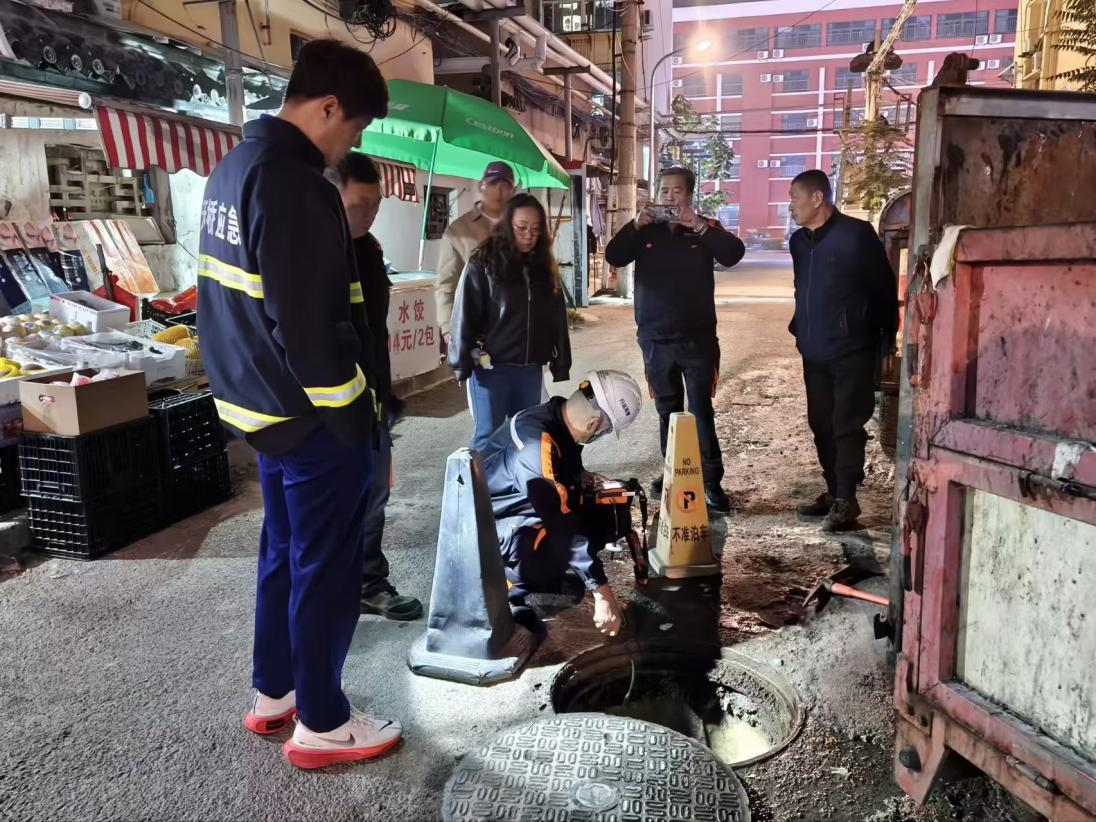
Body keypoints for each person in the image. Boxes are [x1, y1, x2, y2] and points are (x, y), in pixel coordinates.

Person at [197, 39, 401, 770]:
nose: (352, 145)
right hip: (312, 418)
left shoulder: (230, 171)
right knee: (327, 567)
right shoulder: (296, 185)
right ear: (328, 107)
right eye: (356, 127)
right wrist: (356, 419)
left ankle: (274, 692)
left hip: (259, 409)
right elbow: (311, 330)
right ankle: (322, 721)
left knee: (283, 553)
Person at [604, 166, 745, 513]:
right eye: (664, 190)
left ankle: (710, 481)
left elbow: (733, 254)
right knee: (668, 412)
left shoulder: (704, 228)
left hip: (698, 340)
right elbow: (614, 255)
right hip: (655, 339)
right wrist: (635, 224)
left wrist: (698, 225)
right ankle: (673, 474)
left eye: (676, 191)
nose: (669, 196)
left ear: (689, 195)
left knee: (700, 411)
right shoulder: (645, 230)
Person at [480, 369, 644, 637]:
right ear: (593, 424)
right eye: (604, 430)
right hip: (494, 530)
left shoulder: (555, 418)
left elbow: (561, 468)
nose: (600, 435)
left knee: (605, 514)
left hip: (526, 507)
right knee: (549, 545)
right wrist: (602, 593)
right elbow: (561, 523)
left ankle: (554, 573)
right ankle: (513, 590)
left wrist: (581, 476)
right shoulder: (536, 447)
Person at [334, 153, 423, 622]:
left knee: (374, 496)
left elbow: (373, 332)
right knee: (334, 503)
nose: (369, 214)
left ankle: (369, 583)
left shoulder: (368, 250)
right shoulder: (314, 253)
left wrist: (384, 396)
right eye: (360, 205)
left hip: (372, 401)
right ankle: (331, 592)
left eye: (375, 204)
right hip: (331, 406)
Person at [786, 170, 898, 532]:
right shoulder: (798, 242)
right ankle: (834, 491)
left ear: (818, 198)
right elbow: (802, 288)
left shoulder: (856, 235)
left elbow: (883, 289)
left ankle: (847, 499)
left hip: (852, 349)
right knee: (820, 422)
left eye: (794, 198)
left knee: (845, 424)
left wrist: (885, 339)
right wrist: (800, 327)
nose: (791, 206)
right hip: (814, 349)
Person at [448, 192, 572, 452]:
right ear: (507, 225)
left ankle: (518, 480)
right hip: (490, 368)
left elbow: (557, 317)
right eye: (521, 227)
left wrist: (561, 363)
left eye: (536, 229)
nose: (529, 235)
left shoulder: (544, 267)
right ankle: (480, 481)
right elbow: (464, 314)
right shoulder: (482, 263)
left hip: (530, 369)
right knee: (488, 436)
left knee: (526, 435)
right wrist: (461, 362)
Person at [435, 161, 517, 344]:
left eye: (505, 185)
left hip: (516, 328)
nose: (499, 191)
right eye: (493, 184)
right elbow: (446, 283)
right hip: (475, 328)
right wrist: (448, 328)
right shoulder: (458, 231)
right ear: (481, 186)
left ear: (513, 191)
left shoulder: (522, 227)